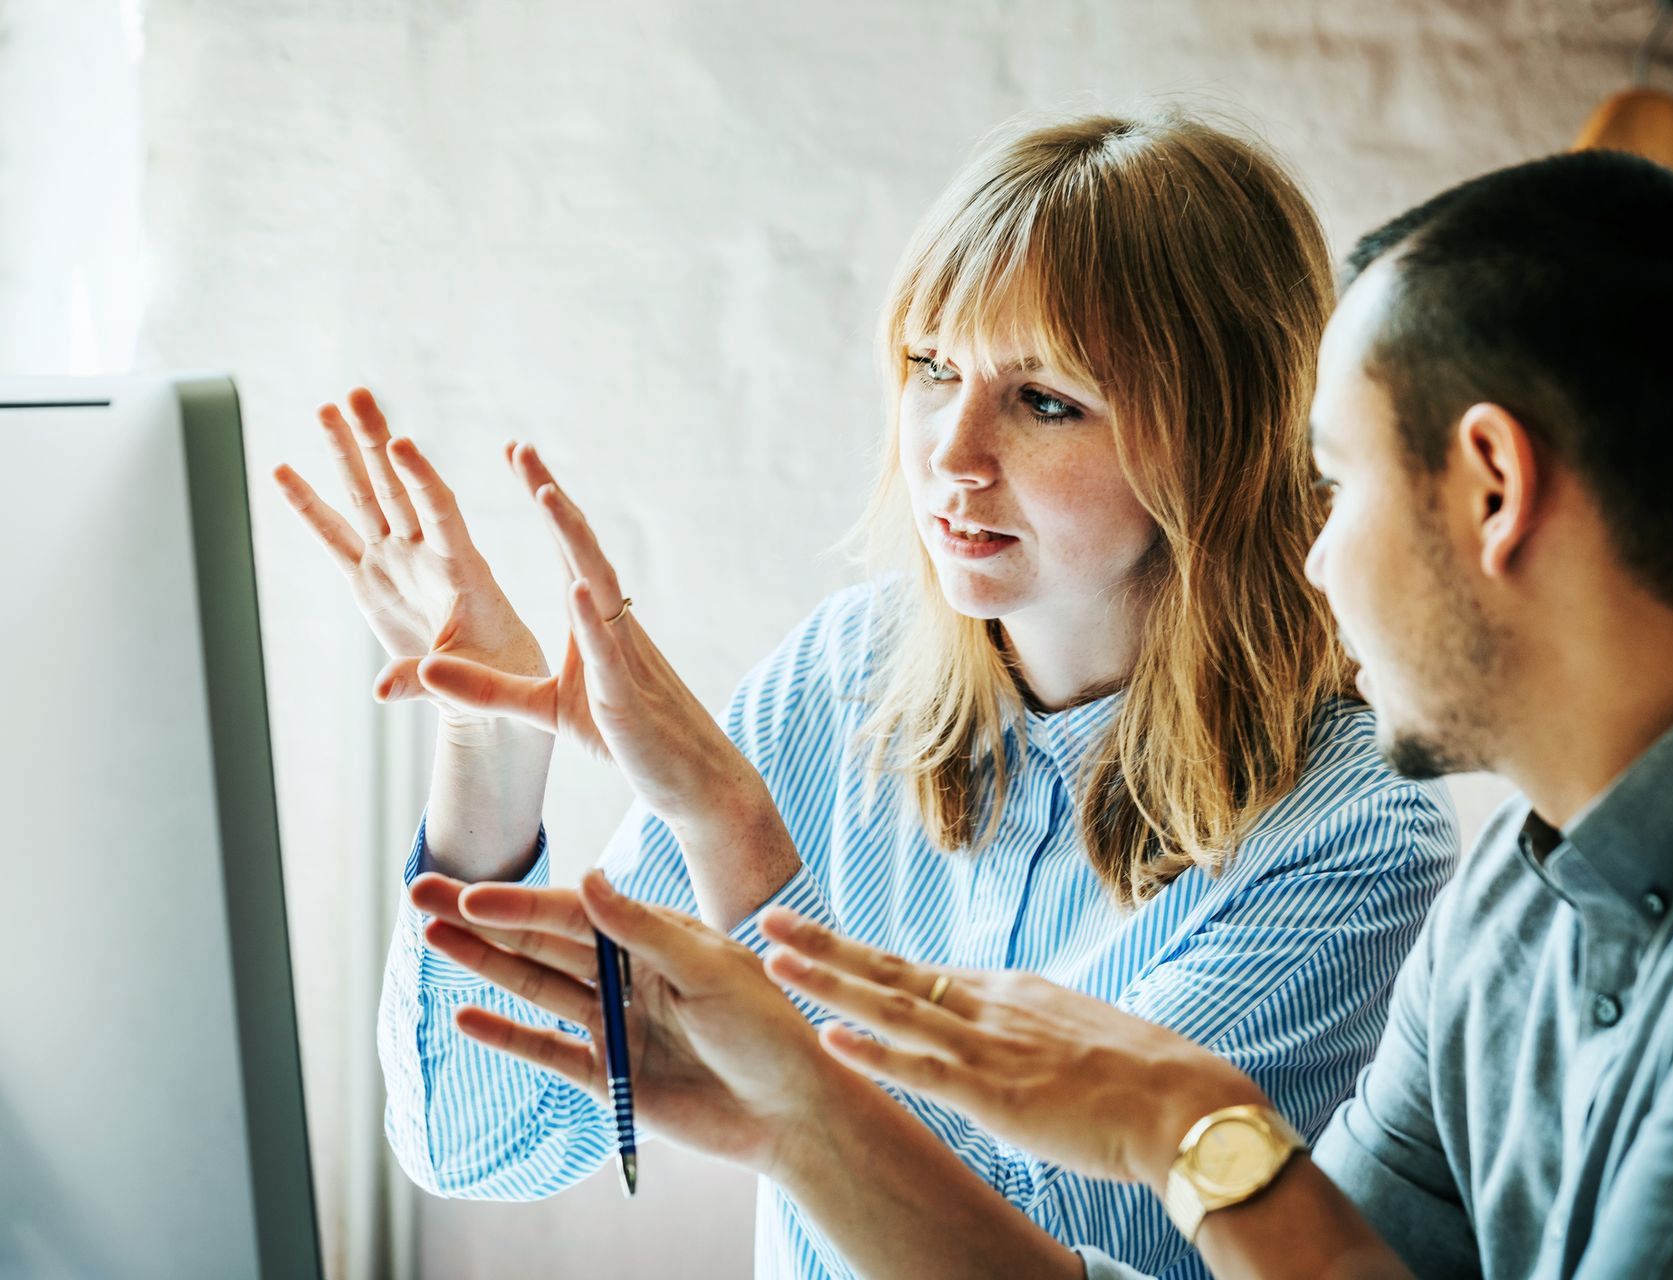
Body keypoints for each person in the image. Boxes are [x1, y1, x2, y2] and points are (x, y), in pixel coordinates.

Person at [409, 147, 1673, 1279]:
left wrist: (755, 903)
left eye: (1339, 483)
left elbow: (1088, 1217)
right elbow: (1317, 1263)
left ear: (1493, 488)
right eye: (928, 370)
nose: (1313, 550)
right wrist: (494, 749)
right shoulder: (1521, 894)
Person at [275, 109, 1457, 1279]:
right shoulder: (844, 675)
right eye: (931, 368)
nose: (951, 450)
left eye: (1046, 398)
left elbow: (1032, 1244)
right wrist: (487, 735)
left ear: (1222, 437)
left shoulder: (1354, 828)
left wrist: (733, 833)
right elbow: (486, 1140)